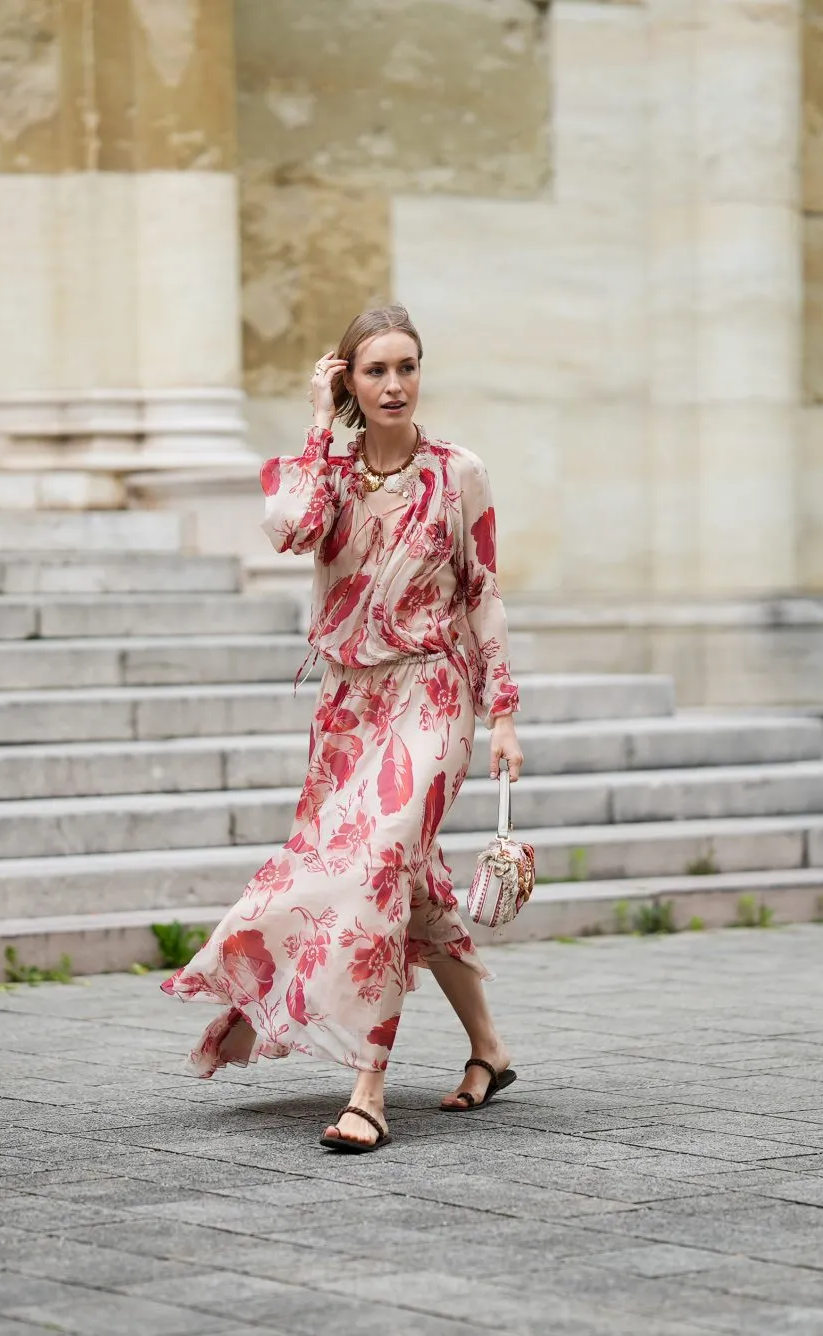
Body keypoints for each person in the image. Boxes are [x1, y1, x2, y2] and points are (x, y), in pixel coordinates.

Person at [161, 305, 524, 1152]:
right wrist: (323, 427)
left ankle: (367, 1087)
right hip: (350, 705)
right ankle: (489, 1052)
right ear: (349, 381)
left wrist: (502, 711)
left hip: (434, 696)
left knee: (377, 865)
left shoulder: (459, 472)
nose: (395, 385)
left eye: (408, 367)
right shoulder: (325, 473)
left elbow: (484, 592)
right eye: (375, 371)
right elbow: (289, 531)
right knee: (410, 884)